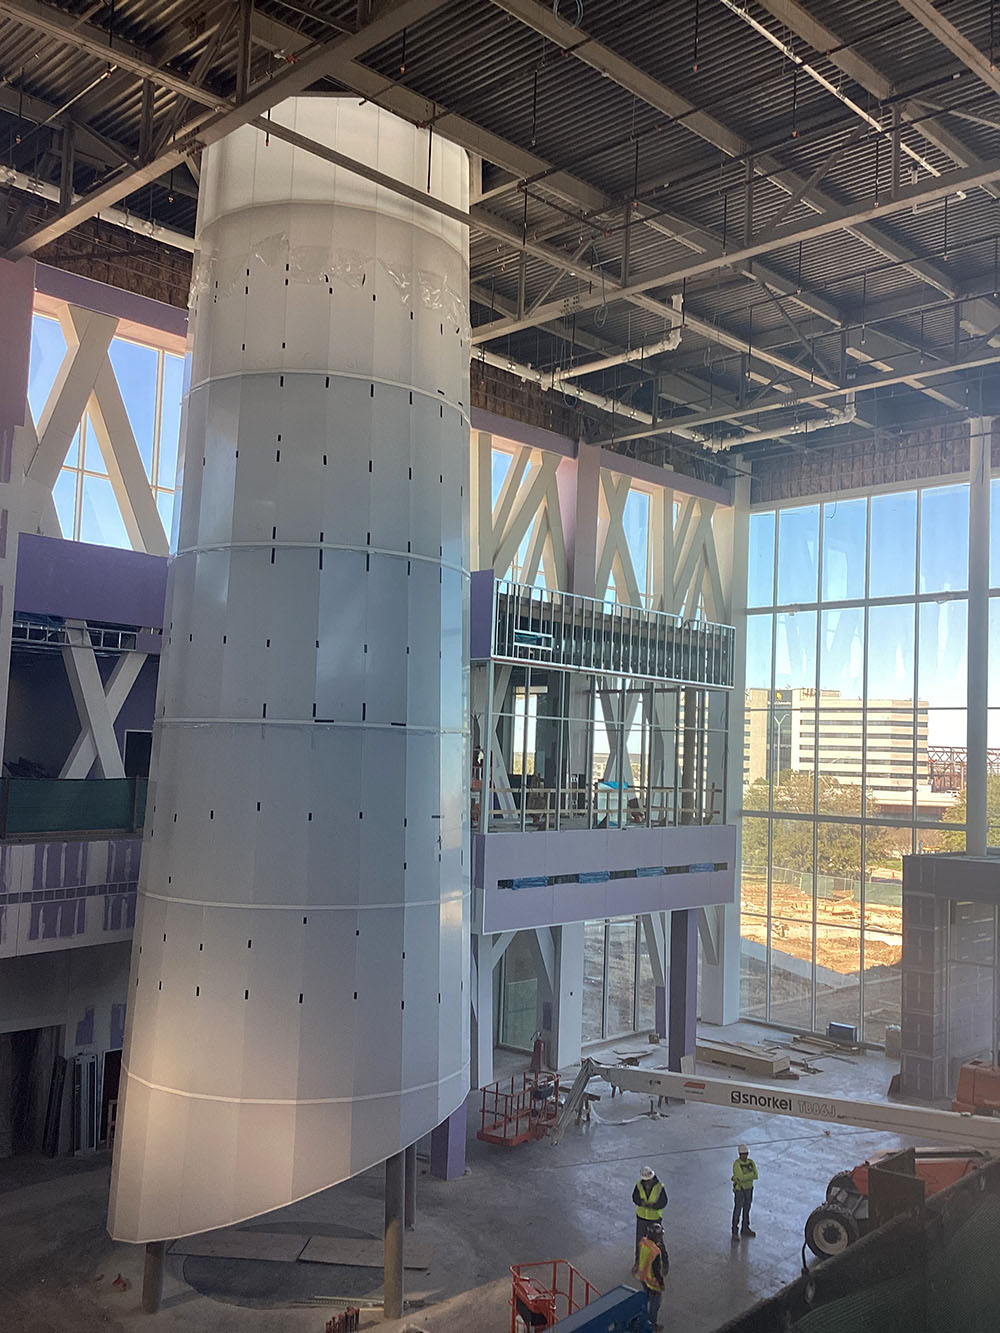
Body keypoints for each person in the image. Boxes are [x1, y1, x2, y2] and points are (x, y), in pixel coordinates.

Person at [632, 1165, 667, 1268]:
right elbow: (634, 1197)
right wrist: (641, 1203)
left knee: (657, 1242)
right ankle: (638, 1263)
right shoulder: (639, 1185)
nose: (647, 1182)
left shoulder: (660, 1187)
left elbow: (663, 1202)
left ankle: (662, 1264)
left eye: (648, 1180)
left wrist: (653, 1206)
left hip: (654, 1218)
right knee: (640, 1242)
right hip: (642, 1218)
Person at [637, 1220, 667, 1330]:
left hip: (642, 1276)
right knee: (655, 1303)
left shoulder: (643, 1242)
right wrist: (661, 1283)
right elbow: (656, 1270)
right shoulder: (655, 1251)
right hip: (652, 1280)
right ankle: (652, 1325)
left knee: (646, 1298)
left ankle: (642, 1317)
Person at [731, 1143, 759, 1240]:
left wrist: (743, 1178)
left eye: (746, 1154)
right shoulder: (736, 1164)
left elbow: (756, 1175)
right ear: (740, 1154)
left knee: (747, 1209)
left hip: (749, 1189)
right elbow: (741, 1177)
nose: (745, 1156)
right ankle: (735, 1231)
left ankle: (745, 1228)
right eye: (743, 1154)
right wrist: (747, 1176)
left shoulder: (751, 1162)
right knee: (738, 1210)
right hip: (740, 1190)